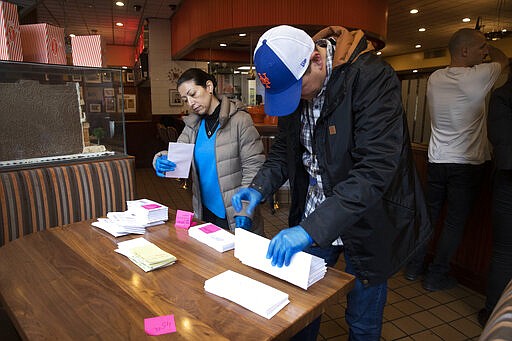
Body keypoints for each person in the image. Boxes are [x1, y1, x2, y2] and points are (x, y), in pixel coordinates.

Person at [231, 25, 431, 340]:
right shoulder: (297, 78)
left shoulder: (371, 79)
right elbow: (284, 152)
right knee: (299, 306)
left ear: (316, 60)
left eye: (298, 90)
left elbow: (374, 170)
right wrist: (257, 188)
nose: (296, 100)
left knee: (362, 321)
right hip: (316, 210)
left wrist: (308, 229)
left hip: (368, 217)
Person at [405, 29, 509, 291]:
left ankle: (413, 267)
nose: (485, 52)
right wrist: (492, 46)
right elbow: (503, 59)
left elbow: (482, 56)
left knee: (428, 217)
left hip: (436, 160)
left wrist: (479, 43)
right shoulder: (480, 75)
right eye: (481, 47)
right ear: (464, 51)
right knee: (454, 223)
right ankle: (436, 275)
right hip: (466, 164)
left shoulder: (435, 77)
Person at [154, 68, 265, 234]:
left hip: (235, 212)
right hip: (205, 211)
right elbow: (177, 155)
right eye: (185, 99)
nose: (190, 103)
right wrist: (160, 159)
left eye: (193, 94)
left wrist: (244, 209)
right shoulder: (193, 125)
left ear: (209, 87)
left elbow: (254, 168)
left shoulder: (240, 120)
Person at [478, 64, 512, 327]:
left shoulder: (503, 94)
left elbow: (498, 141)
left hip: (508, 178)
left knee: (503, 250)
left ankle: (492, 313)